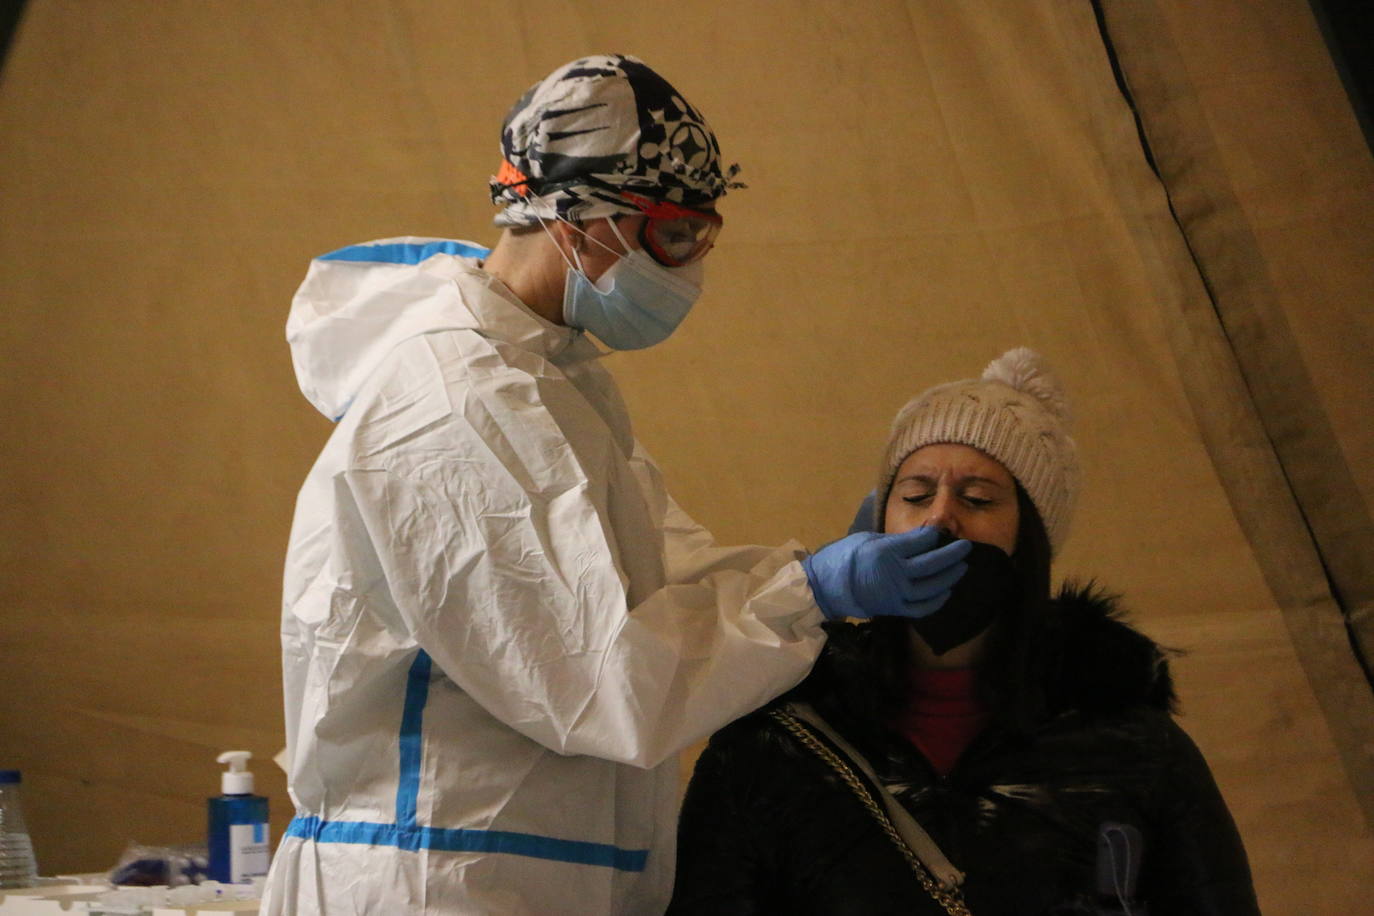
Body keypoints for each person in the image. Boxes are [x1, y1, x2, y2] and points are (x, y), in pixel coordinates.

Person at [259, 54, 970, 914]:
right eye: (676, 237)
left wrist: (812, 576)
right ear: (579, 216)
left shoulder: (551, 384)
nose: (691, 272)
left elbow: (654, 586)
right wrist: (808, 594)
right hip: (436, 884)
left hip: (522, 877)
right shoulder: (456, 401)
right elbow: (605, 679)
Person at [669, 348, 1261, 915]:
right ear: (878, 528)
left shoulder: (1130, 743)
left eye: (977, 499)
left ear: (1029, 541)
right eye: (915, 495)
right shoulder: (783, 735)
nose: (939, 517)